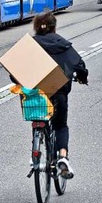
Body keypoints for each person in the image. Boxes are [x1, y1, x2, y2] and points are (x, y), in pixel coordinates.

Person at [31, 12, 88, 179]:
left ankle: (35, 149)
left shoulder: (30, 45)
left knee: (38, 118)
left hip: (36, 95)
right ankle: (62, 156)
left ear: (36, 28)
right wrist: (82, 77)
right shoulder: (63, 44)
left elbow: (16, 69)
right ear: (54, 27)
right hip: (59, 93)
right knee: (60, 125)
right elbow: (79, 65)